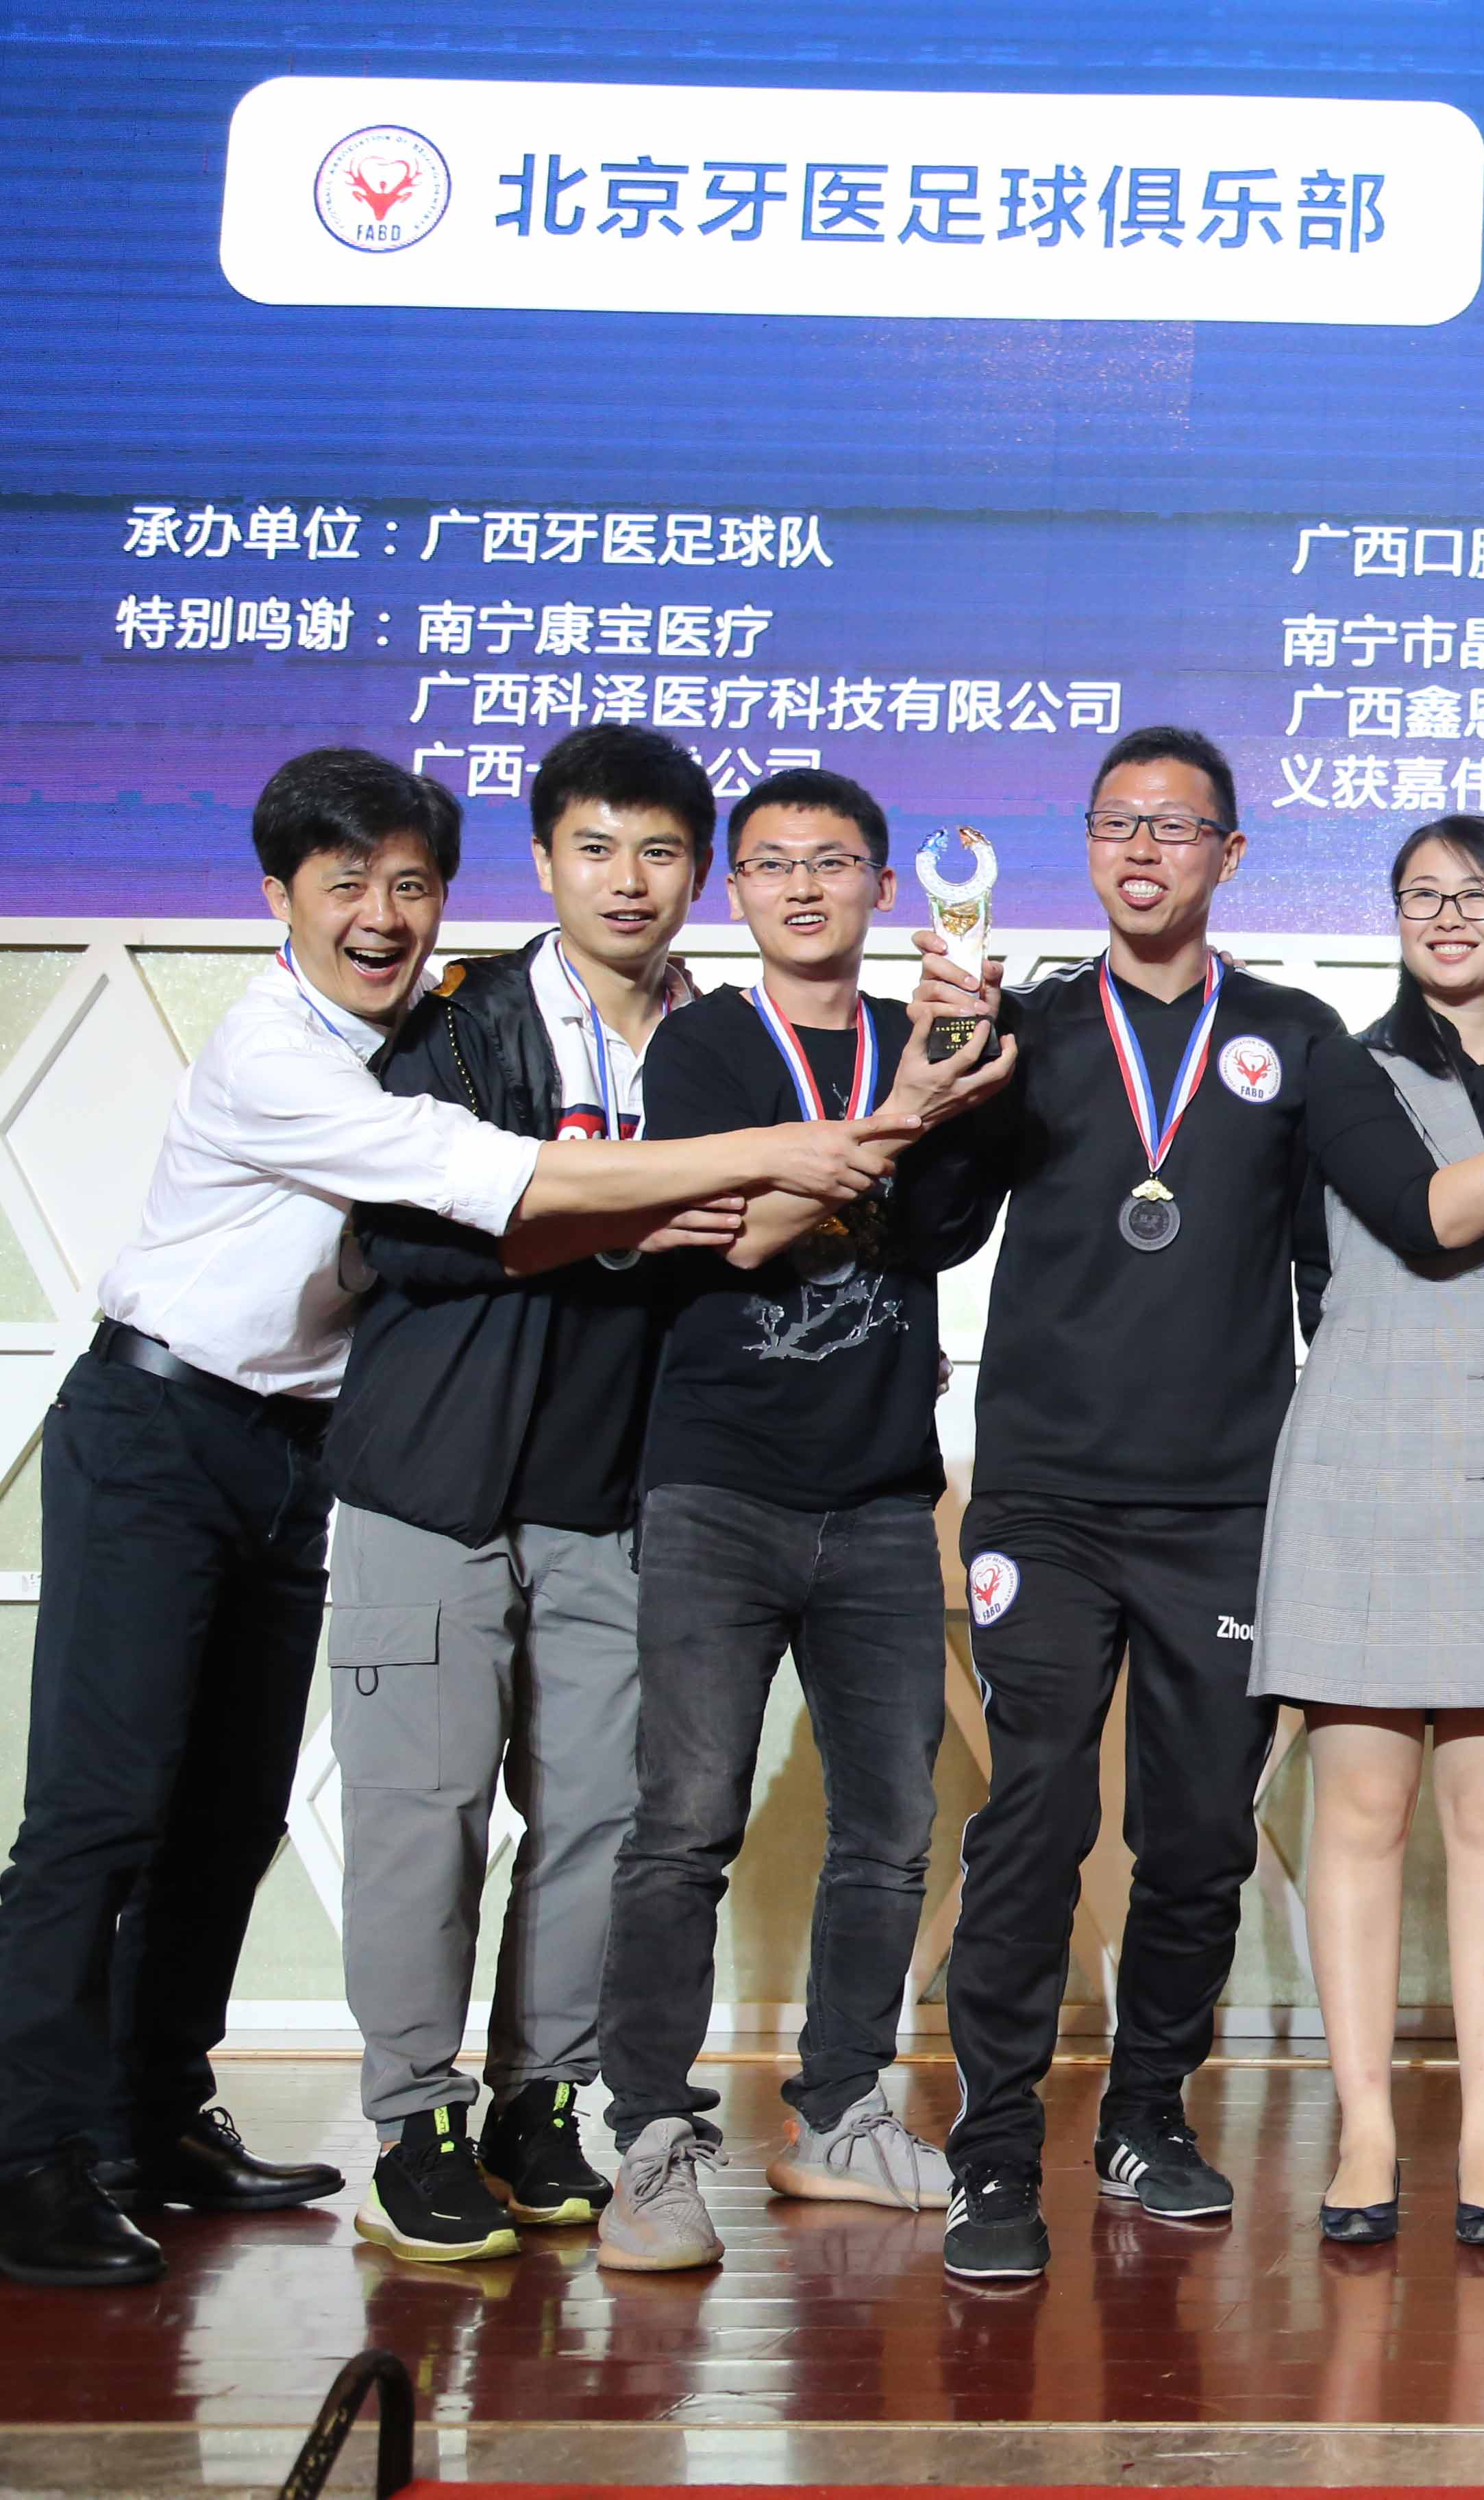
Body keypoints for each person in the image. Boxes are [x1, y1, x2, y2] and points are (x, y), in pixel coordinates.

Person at [0, 748, 895, 2288]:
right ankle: (37, 2152)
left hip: (352, 1450)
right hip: (184, 1424)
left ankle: (167, 2110)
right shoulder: (397, 1038)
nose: (381, 913)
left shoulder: (694, 1035)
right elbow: (443, 1212)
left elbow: (724, 1240)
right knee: (111, 1813)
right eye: (346, 884)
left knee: (252, 1813)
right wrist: (691, 1192)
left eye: (409, 884)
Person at [904, 726, 1344, 2283]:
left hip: (1226, 1507)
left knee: (1202, 1830)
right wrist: (943, 1077)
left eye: (1176, 827)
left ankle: (1148, 2114)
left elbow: (1330, 1273)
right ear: (1088, 847)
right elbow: (932, 1229)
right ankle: (992, 2150)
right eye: (1117, 824)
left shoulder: (1292, 1035)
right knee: (1035, 1815)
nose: (1143, 850)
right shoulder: (1020, 1025)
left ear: (1230, 854)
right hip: (1046, 1501)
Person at [323, 722, 747, 2262]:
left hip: (615, 1491)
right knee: (420, 1818)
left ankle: (536, 2101)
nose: (628, 880)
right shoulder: (461, 1023)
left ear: (698, 873)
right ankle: (412, 2120)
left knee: (600, 1818)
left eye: (659, 851)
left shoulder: (730, 1047)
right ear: (547, 861)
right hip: (429, 1477)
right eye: (595, 848)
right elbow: (403, 1232)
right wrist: (623, 1222)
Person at [591, 767, 1021, 2271]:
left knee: (891, 1828)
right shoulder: (707, 1040)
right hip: (716, 1484)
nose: (802, 887)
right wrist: (899, 1114)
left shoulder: (932, 1034)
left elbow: (938, 1231)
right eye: (771, 864)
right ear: (738, 892)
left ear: (885, 889)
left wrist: (954, 1077)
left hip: (883, 1491)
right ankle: (649, 2137)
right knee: (684, 1823)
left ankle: (838, 2112)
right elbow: (735, 1234)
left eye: (831, 863)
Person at [1261, 815, 1484, 2248]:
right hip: (1369, 1466)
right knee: (1361, 1813)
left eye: (1477, 895)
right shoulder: (1347, 1067)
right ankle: (1364, 2125)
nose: (1448, 916)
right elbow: (1429, 1217)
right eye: (1421, 894)